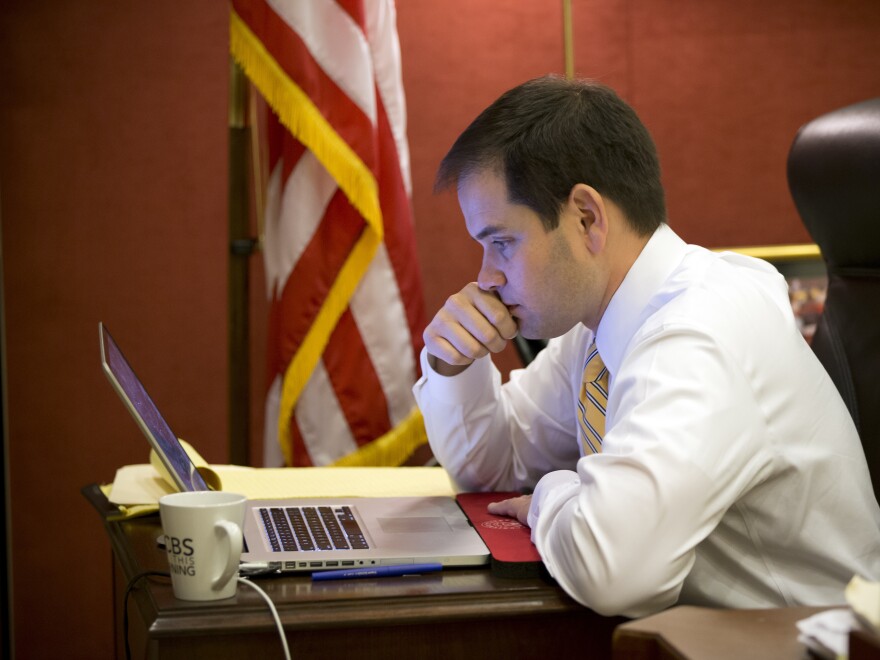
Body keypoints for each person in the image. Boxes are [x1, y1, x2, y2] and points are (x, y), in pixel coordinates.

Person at [413, 75, 880, 618]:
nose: (486, 277)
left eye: (501, 243)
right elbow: (494, 470)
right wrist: (454, 367)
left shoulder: (698, 331)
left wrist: (552, 492)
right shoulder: (597, 329)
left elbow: (614, 572)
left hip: (807, 642)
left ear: (587, 218)